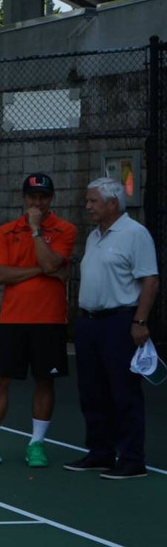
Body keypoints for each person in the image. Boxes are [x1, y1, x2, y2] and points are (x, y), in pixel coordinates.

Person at [0, 172, 76, 470]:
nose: (38, 202)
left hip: (49, 319)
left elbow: (50, 263)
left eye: (43, 197)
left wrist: (35, 232)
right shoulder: (7, 231)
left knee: (44, 380)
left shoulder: (65, 230)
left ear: (51, 199)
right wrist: (41, 271)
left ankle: (36, 444)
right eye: (32, 197)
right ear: (24, 198)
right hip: (12, 318)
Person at [69, 177, 159, 479]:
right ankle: (101, 453)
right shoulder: (95, 235)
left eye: (93, 201)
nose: (88, 206)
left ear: (113, 203)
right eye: (88, 200)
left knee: (124, 391)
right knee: (92, 391)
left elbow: (150, 279)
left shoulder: (135, 234)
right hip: (89, 323)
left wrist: (140, 321)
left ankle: (132, 459)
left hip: (119, 322)